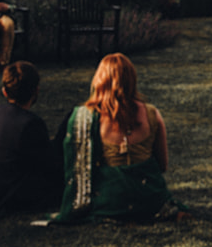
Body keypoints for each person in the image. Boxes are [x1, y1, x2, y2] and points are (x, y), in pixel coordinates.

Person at [52, 53, 186, 224]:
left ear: (99, 80)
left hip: (108, 202)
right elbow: (162, 165)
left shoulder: (86, 116)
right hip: (149, 200)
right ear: (132, 80)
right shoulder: (152, 114)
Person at [0, 61, 62, 219]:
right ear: (36, 91)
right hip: (12, 195)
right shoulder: (31, 124)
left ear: (5, 91)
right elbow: (48, 166)